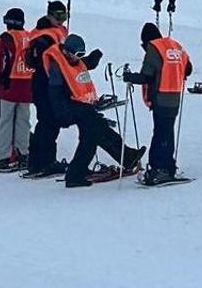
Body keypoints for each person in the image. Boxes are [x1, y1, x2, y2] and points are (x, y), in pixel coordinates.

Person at [44, 34, 145, 187]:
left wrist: (93, 58)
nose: (79, 58)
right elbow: (55, 94)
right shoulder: (57, 67)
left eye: (81, 55)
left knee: (90, 137)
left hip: (81, 105)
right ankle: (127, 156)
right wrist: (64, 114)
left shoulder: (71, 61)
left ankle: (75, 174)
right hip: (69, 109)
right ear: (66, 52)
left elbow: (83, 65)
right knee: (99, 127)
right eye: (78, 55)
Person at [122, 23, 192, 185]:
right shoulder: (175, 46)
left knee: (160, 133)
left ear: (146, 41)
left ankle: (158, 169)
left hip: (161, 97)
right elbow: (188, 68)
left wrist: (129, 77)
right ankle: (168, 167)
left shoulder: (154, 48)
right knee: (167, 132)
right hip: (174, 97)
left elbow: (146, 76)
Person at [24, 1, 71, 177]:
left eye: (63, 15)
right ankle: (44, 162)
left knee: (47, 122)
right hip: (46, 82)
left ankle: (38, 162)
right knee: (48, 122)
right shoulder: (45, 36)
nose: (61, 19)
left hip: (46, 82)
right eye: (58, 15)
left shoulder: (51, 32)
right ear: (50, 15)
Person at [0, 8, 33, 171]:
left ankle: (3, 156)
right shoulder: (28, 37)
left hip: (9, 84)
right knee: (24, 121)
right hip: (27, 84)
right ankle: (23, 153)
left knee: (5, 122)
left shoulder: (6, 38)